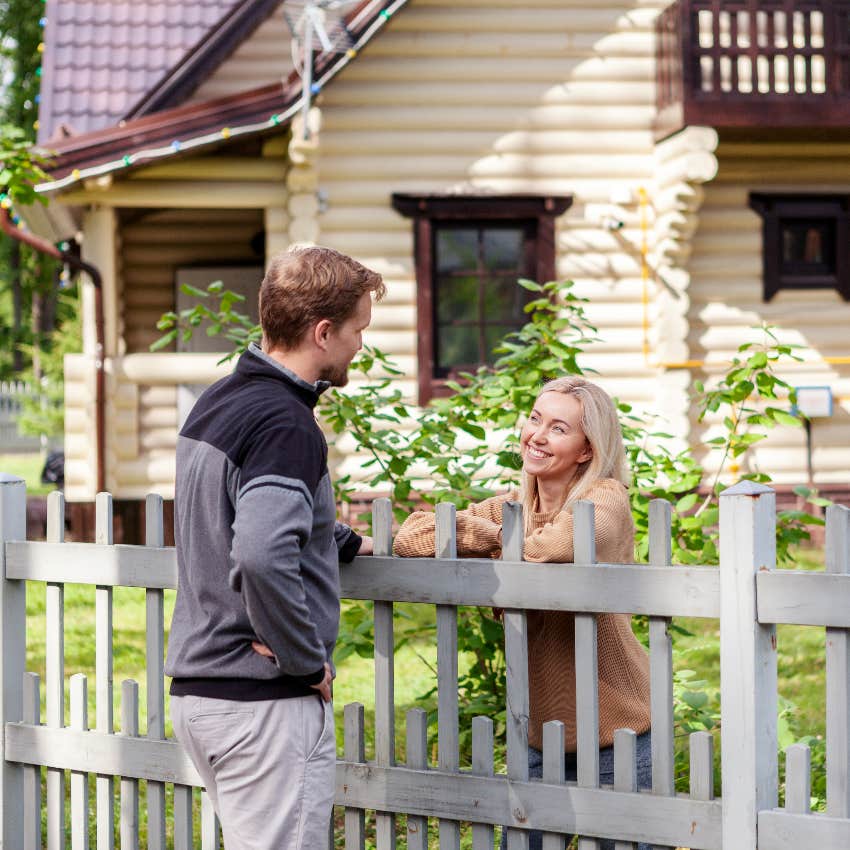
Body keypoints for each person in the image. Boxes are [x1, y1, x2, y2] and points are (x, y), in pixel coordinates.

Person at [165, 246, 385, 850]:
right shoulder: (285, 424)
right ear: (322, 332)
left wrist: (334, 539)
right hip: (262, 702)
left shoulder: (218, 403)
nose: (359, 347)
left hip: (202, 695)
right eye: (357, 330)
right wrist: (304, 659)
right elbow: (260, 554)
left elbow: (230, 514)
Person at [393, 376, 652, 850]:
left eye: (558, 428)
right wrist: (495, 534)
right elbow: (411, 536)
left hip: (617, 734)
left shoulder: (606, 499)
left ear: (586, 450)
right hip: (539, 734)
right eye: (535, 419)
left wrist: (483, 539)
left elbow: (549, 550)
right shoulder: (511, 508)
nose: (536, 435)